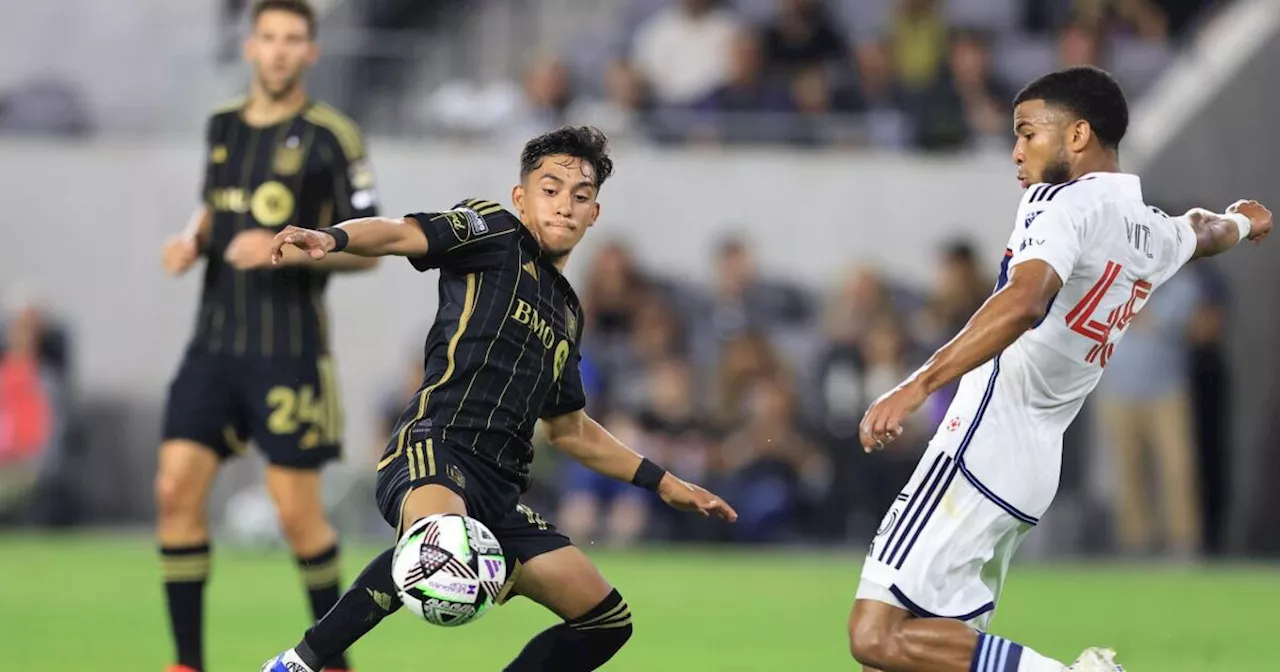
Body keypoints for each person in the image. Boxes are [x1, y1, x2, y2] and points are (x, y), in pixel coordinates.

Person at [261, 125, 737, 672]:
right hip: (434, 446)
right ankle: (295, 664)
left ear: (594, 215)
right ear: (521, 197)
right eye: (550, 189)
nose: (564, 207)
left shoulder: (567, 314)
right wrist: (332, 238)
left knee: (606, 621)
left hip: (499, 490)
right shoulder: (493, 231)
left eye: (580, 197)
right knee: (442, 542)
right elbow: (400, 232)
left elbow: (570, 429)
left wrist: (665, 481)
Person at [846, 65, 1272, 672]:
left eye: (1027, 133)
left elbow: (1024, 301)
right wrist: (1241, 221)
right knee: (920, 656)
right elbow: (1199, 233)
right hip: (1032, 465)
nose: (1016, 151)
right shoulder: (1148, 230)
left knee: (876, 637)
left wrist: (917, 385)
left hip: (980, 442)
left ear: (1077, 136)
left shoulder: (1058, 201)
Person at [155, 3, 379, 671]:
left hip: (289, 350)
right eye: (270, 39)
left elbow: (368, 249)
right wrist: (192, 240)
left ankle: (334, 661)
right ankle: (186, 662)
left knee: (296, 517)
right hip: (213, 343)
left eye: (293, 40)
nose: (279, 51)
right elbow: (215, 202)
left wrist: (295, 249)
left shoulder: (332, 136)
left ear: (310, 52)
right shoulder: (222, 126)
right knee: (174, 493)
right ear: (251, 47)